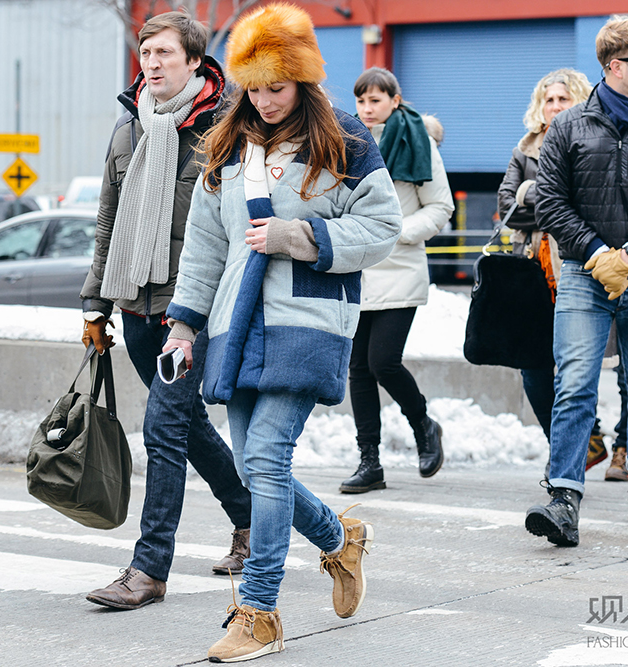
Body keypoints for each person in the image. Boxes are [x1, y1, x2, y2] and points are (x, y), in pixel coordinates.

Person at [161, 4, 402, 660]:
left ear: (303, 80)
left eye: (278, 85)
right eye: (255, 86)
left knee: (265, 458)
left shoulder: (346, 140)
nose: (265, 100)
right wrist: (183, 324)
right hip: (236, 324)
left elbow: (383, 227)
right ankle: (339, 538)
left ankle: (258, 609)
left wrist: (303, 236)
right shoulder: (228, 143)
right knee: (253, 464)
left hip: (308, 319)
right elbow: (206, 244)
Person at [79, 12, 253, 610]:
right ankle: (253, 520)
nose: (151, 63)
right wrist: (95, 303)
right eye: (145, 53)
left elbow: (233, 227)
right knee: (189, 428)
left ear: (195, 61)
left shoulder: (226, 128)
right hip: (134, 302)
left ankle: (148, 570)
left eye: (163, 54)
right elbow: (107, 218)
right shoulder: (129, 126)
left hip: (194, 307)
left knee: (163, 428)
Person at [525, 14, 628, 547]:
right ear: (615, 65)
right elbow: (550, 201)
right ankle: (564, 498)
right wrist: (599, 255)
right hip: (581, 273)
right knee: (573, 384)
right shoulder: (568, 127)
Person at [496, 69, 620, 478]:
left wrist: (537, 196)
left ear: (579, 102)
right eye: (548, 99)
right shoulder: (525, 148)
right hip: (533, 271)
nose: (554, 107)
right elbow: (508, 204)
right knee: (533, 369)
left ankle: (569, 457)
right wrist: (546, 200)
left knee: (572, 366)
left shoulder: (594, 142)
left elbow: (585, 207)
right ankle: (571, 445)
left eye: (563, 99)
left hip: (578, 267)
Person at [339, 67, 453, 494]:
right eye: (361, 101)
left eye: (376, 100)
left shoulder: (416, 140)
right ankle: (370, 461)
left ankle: (423, 425)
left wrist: (396, 232)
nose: (367, 109)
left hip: (399, 266)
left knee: (382, 361)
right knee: (358, 368)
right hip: (356, 268)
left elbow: (439, 206)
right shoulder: (346, 141)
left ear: (395, 100)